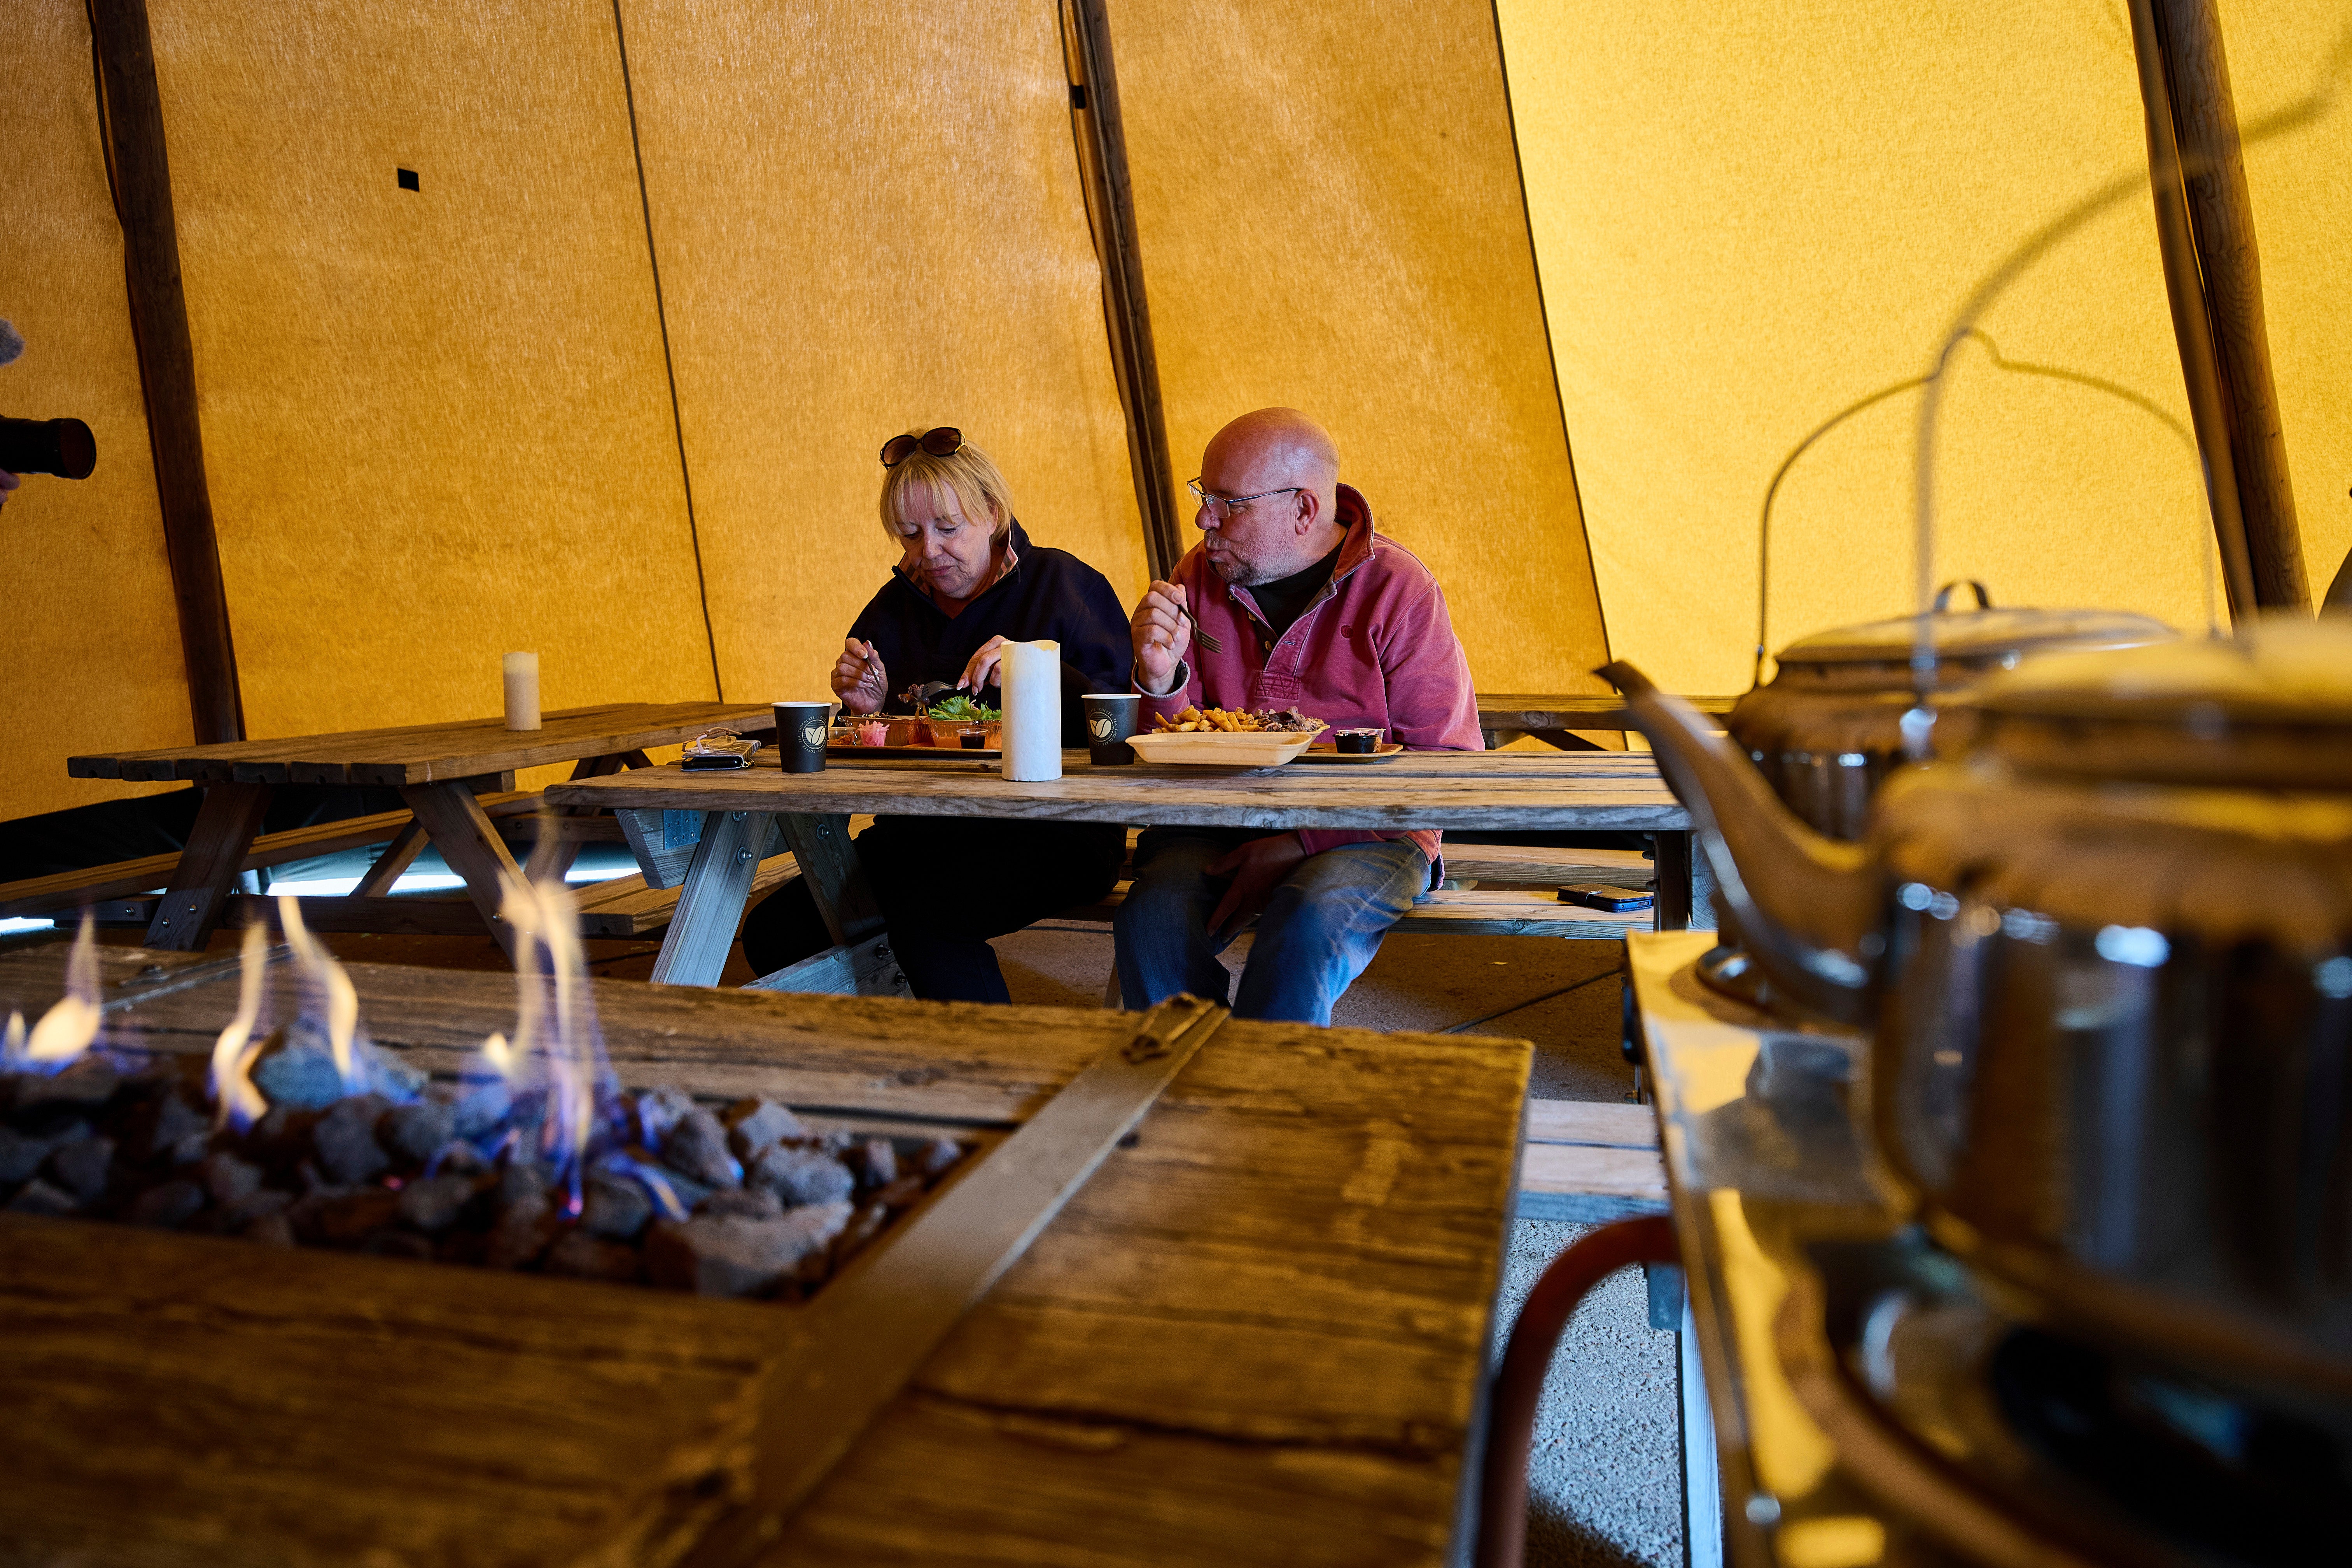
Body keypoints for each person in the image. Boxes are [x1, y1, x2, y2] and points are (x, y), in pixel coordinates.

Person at [1115, 408, 1481, 1024]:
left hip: (1371, 830)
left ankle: (1268, 1099)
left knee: (1307, 921)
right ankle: (1182, 1089)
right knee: (1151, 916)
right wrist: (1160, 680)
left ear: (1305, 510)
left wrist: (1301, 842)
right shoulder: (1195, 577)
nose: (1204, 518)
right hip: (1217, 819)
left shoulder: (1399, 589)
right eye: (1205, 495)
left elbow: (1446, 768)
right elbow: (1172, 753)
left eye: (1230, 503)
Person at [740, 427, 1131, 1001]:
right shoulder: (893, 607)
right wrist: (867, 712)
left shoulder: (1065, 586)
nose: (928, 552)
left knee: (926, 920)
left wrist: (1038, 671)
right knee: (775, 933)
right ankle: (889, 1063)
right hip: (924, 832)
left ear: (994, 514)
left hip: (1055, 835)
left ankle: (987, 1078)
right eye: (909, 534)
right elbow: (870, 742)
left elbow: (1119, 734)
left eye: (948, 529)